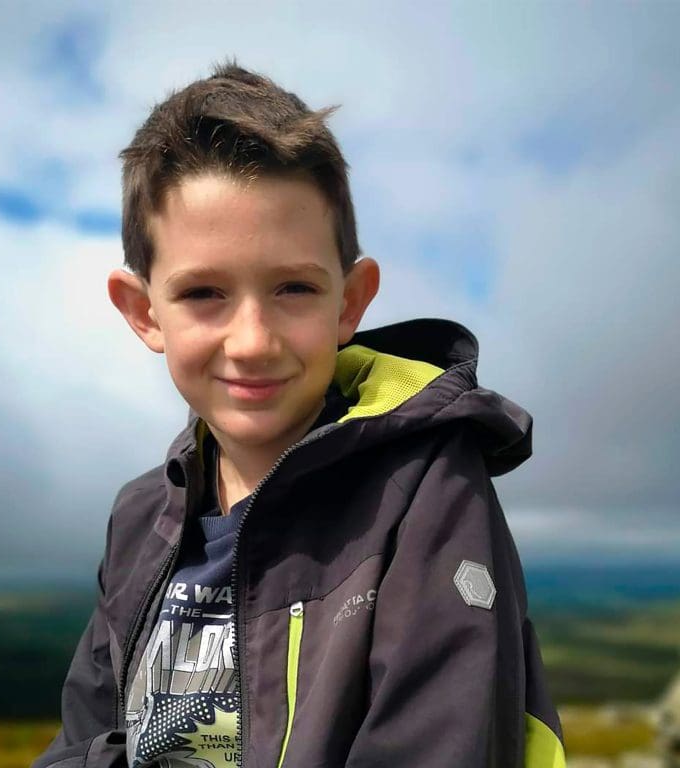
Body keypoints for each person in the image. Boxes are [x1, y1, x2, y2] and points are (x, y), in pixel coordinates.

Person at [33, 62, 565, 768]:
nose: (253, 341)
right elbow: (84, 741)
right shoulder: (139, 520)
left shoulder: (426, 490)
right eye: (203, 294)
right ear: (142, 311)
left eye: (293, 288)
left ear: (349, 302)